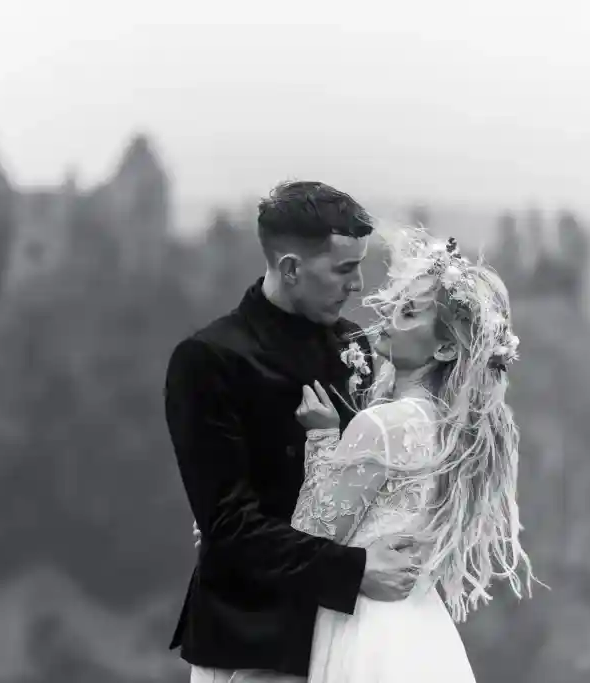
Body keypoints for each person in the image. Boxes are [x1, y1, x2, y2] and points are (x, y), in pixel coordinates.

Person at [164, 181, 422, 683]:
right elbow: (229, 526)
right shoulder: (209, 359)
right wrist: (354, 569)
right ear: (290, 268)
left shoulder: (359, 347)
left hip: (346, 639)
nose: (358, 286)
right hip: (251, 641)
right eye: (345, 269)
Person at [287, 226, 535, 682]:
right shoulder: (452, 430)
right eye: (397, 303)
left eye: (408, 312)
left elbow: (308, 540)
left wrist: (321, 437)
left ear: (443, 346)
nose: (387, 317)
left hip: (369, 631)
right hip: (421, 633)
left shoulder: (383, 425)